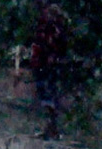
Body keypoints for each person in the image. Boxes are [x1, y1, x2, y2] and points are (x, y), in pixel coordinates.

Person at [30, 2, 68, 138]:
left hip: (48, 67)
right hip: (42, 66)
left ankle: (51, 128)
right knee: (46, 98)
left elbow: (56, 47)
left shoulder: (53, 29)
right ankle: (50, 128)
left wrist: (51, 58)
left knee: (49, 98)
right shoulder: (44, 27)